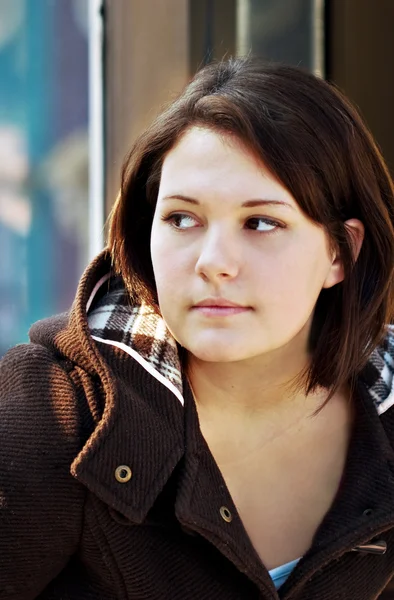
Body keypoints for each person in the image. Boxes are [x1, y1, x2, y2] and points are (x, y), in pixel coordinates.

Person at [1, 57, 394, 600]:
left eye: (261, 222)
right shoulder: (51, 412)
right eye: (182, 218)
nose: (213, 261)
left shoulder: (385, 412)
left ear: (340, 252)